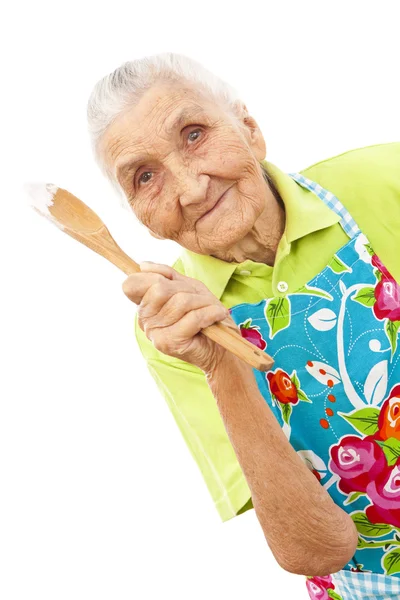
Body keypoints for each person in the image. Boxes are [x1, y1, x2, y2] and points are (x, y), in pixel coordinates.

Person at [87, 52, 400, 599]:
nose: (189, 188)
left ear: (250, 130)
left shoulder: (383, 179)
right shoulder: (171, 331)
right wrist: (218, 365)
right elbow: (313, 550)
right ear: (139, 217)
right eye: (145, 177)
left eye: (193, 134)